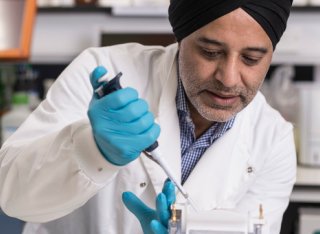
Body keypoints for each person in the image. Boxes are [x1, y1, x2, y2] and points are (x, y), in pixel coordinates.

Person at [0, 0, 296, 233]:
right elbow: (12, 195)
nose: (229, 78)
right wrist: (92, 151)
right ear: (181, 39)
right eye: (210, 52)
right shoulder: (101, 70)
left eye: (251, 59)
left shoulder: (271, 139)